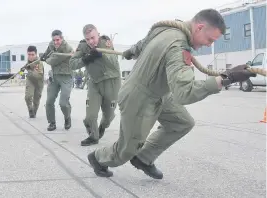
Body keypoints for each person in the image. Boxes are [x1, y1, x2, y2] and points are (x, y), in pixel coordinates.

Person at [87, 9, 257, 178]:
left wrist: (132, 51)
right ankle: (98, 158)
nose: (209, 44)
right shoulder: (178, 47)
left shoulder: (166, 28)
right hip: (138, 97)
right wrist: (227, 78)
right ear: (198, 28)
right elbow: (185, 92)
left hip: (160, 92)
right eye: (209, 39)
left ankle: (143, 158)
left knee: (183, 122)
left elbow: (143, 42)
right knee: (126, 150)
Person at [70, 24, 121, 146]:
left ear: (98, 34)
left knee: (109, 116)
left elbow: (114, 63)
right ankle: (94, 136)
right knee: (90, 116)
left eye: (93, 38)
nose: (91, 42)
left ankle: (102, 127)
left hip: (112, 83)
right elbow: (72, 64)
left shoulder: (105, 42)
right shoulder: (83, 46)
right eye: (88, 39)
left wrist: (102, 54)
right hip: (94, 83)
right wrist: (87, 58)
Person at [41, 30, 74, 131]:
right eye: (54, 40)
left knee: (63, 103)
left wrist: (44, 59)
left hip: (66, 77)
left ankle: (67, 118)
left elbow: (52, 61)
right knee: (49, 102)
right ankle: (52, 123)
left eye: (58, 40)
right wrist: (44, 55)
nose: (55, 42)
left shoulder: (67, 49)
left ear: (62, 38)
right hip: (54, 76)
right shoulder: (52, 44)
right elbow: (47, 53)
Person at [22, 46, 44, 118]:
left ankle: (34, 112)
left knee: (36, 100)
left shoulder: (39, 63)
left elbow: (39, 76)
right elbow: (21, 73)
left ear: (36, 54)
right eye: (29, 54)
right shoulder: (28, 63)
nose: (30, 56)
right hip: (30, 81)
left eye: (32, 54)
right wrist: (21, 71)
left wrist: (30, 71)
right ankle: (30, 110)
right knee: (28, 97)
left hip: (39, 82)